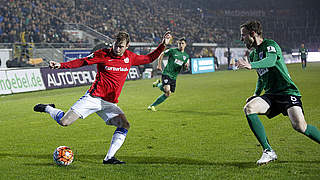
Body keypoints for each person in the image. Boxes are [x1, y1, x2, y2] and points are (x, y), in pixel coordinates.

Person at [33, 31, 172, 164]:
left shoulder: (130, 57)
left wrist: (163, 45)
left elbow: (149, 58)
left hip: (109, 103)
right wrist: (61, 65)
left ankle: (109, 158)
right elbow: (83, 61)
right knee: (64, 122)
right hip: (93, 98)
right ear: (113, 43)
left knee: (124, 125)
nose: (117, 48)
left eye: (121, 46)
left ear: (127, 46)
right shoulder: (103, 54)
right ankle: (48, 108)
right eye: (116, 45)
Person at [236, 21, 320, 165]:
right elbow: (262, 77)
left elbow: (271, 60)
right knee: (249, 108)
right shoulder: (253, 55)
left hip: (287, 92)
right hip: (271, 95)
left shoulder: (270, 45)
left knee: (300, 126)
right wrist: (256, 94)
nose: (241, 39)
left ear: (252, 34)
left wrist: (251, 65)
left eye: (243, 35)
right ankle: (268, 151)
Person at [147, 37, 190, 111]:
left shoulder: (186, 56)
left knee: (168, 94)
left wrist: (186, 67)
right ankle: (152, 106)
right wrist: (159, 65)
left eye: (182, 43)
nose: (180, 45)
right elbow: (161, 54)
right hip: (166, 73)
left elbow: (184, 69)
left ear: (185, 45)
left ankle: (158, 84)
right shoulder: (173, 51)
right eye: (179, 43)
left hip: (174, 76)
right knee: (167, 90)